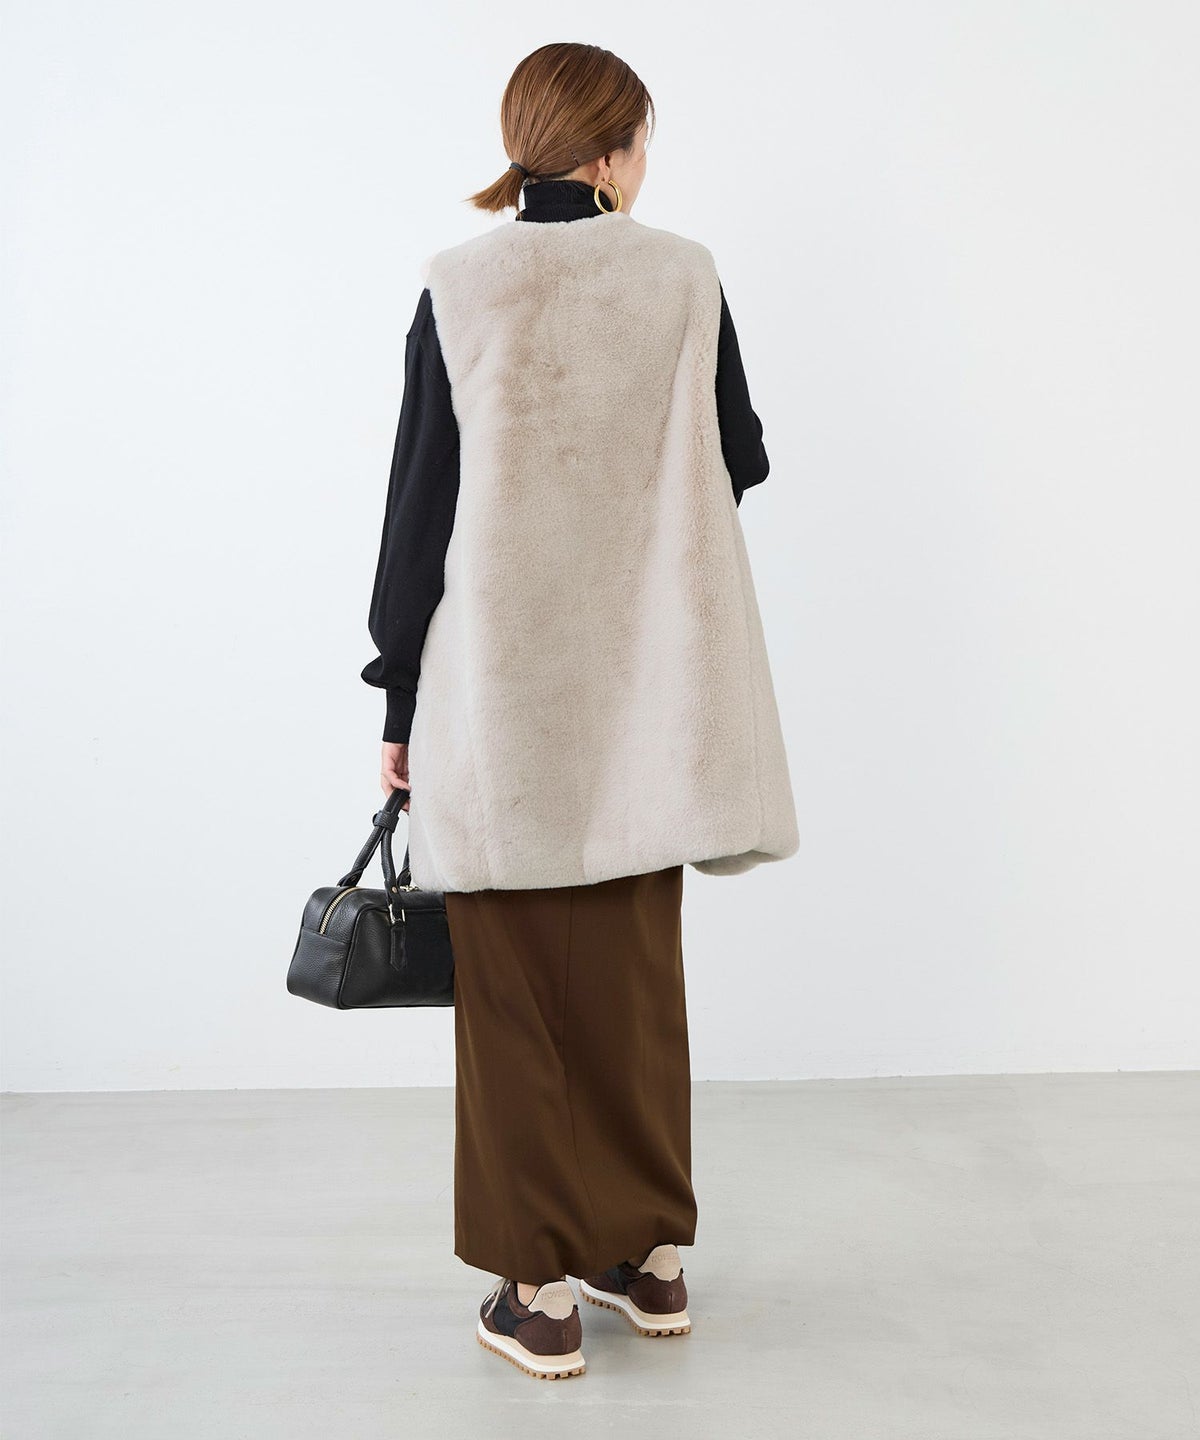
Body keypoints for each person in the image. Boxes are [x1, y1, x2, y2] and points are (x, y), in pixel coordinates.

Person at [359, 42, 799, 1380]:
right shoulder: (685, 276)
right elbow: (741, 455)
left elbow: (417, 516)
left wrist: (397, 695)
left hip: (504, 703)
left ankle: (537, 1293)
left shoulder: (459, 288)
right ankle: (648, 1262)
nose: (647, 164)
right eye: (644, 141)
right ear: (610, 153)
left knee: (513, 1001)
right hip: (648, 697)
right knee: (631, 987)